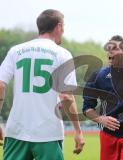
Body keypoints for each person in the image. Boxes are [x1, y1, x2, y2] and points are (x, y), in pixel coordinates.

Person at [0, 9, 84, 160]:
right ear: (58, 26)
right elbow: (66, 96)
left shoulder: (15, 51)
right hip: (48, 133)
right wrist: (78, 131)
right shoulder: (62, 54)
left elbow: (0, 85)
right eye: (63, 27)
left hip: (16, 130)